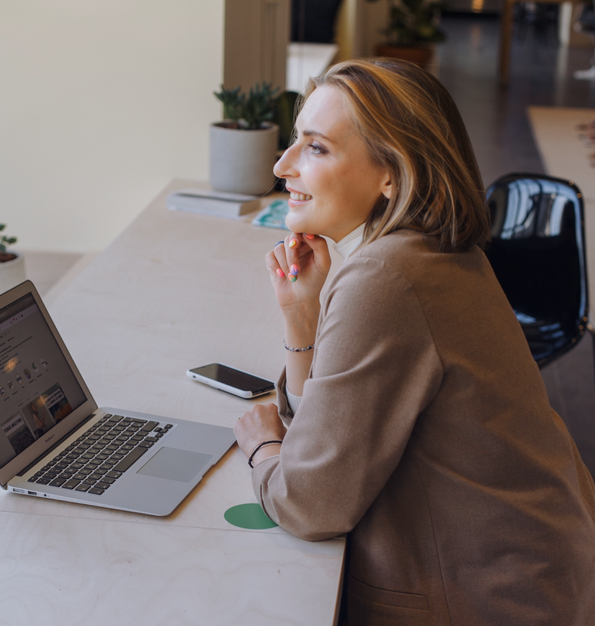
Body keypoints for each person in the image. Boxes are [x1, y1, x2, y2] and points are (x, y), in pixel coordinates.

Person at [234, 59, 595, 626]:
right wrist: (302, 317)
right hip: (541, 568)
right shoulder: (426, 251)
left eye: (316, 148)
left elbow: (309, 501)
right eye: (293, 143)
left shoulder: (388, 278)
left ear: (392, 176)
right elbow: (325, 441)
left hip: (488, 598)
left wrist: (262, 448)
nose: (283, 165)